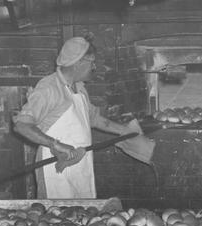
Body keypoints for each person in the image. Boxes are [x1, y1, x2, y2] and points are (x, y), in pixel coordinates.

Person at [13, 36, 132, 198]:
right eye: (92, 62)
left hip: (81, 165)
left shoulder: (79, 87)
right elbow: (22, 125)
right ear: (79, 63)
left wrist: (125, 131)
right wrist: (55, 144)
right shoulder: (49, 88)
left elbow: (94, 118)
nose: (94, 67)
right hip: (55, 169)